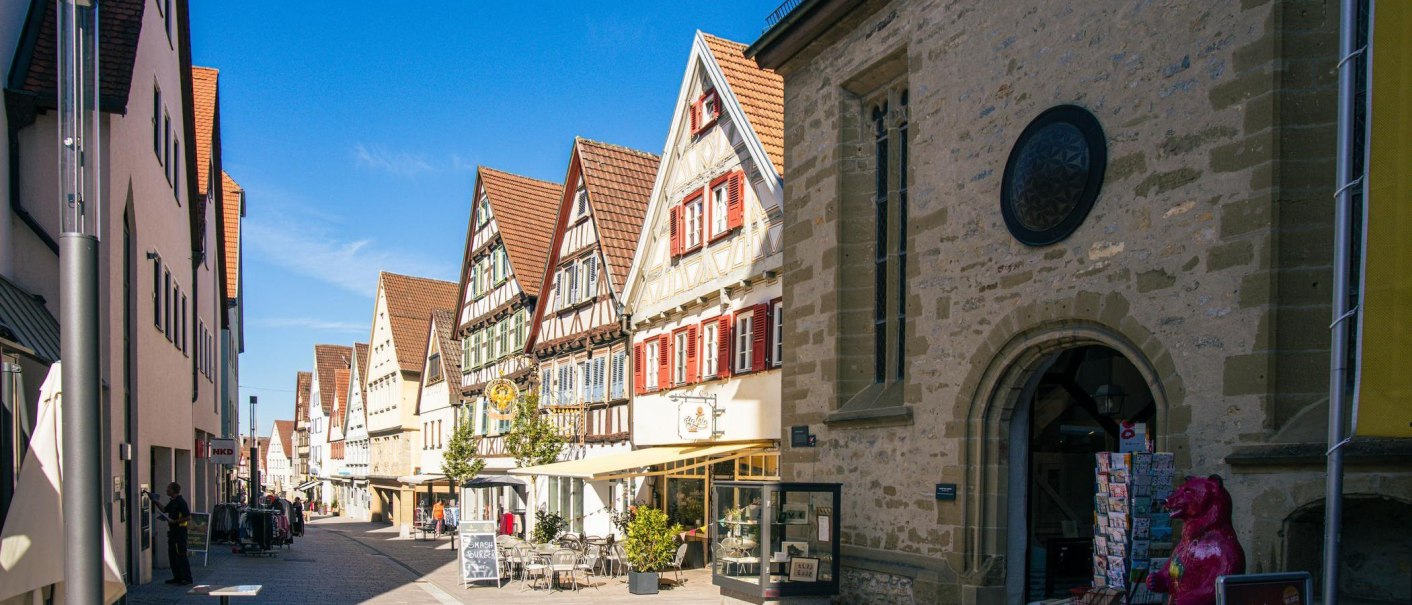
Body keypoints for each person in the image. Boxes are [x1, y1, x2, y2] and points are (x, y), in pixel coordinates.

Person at [152, 482, 192, 585]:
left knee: (181, 554)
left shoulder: (181, 502)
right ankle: (177, 576)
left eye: (168, 488)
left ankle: (187, 578)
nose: (166, 490)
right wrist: (155, 501)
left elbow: (187, 517)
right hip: (173, 532)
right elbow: (164, 509)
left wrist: (175, 521)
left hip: (180, 532)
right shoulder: (173, 501)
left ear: (173, 490)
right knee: (172, 555)